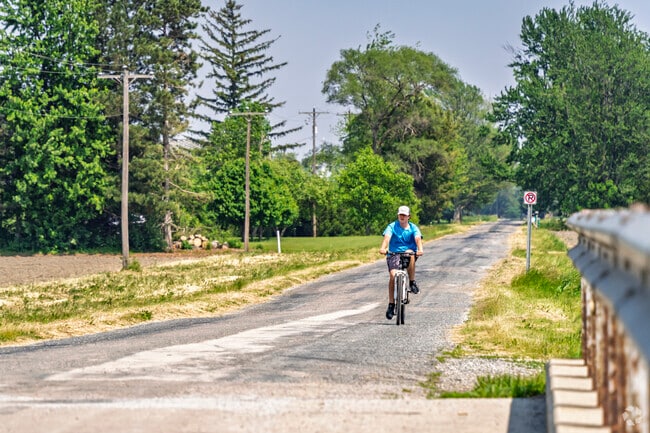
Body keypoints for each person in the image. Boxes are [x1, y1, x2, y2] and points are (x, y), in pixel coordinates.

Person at [379, 205, 424, 320]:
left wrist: (420, 249)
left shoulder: (413, 228)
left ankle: (412, 282)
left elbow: (418, 239)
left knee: (411, 254)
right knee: (393, 276)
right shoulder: (392, 226)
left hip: (408, 254)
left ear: (409, 216)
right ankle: (391, 304)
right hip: (393, 254)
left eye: (404, 215)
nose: (402, 217)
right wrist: (383, 248)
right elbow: (387, 238)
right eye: (400, 215)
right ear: (398, 215)